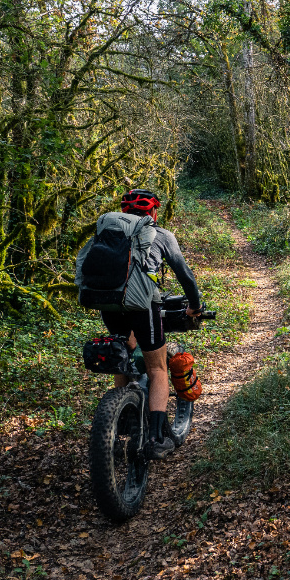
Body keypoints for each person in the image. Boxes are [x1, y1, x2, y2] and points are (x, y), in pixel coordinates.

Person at [100, 188, 202, 460]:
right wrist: (195, 306)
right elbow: (186, 277)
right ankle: (157, 438)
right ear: (154, 212)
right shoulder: (162, 235)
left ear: (124, 212)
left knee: (124, 350)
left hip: (108, 303)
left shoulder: (109, 233)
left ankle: (118, 419)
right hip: (144, 304)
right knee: (157, 368)